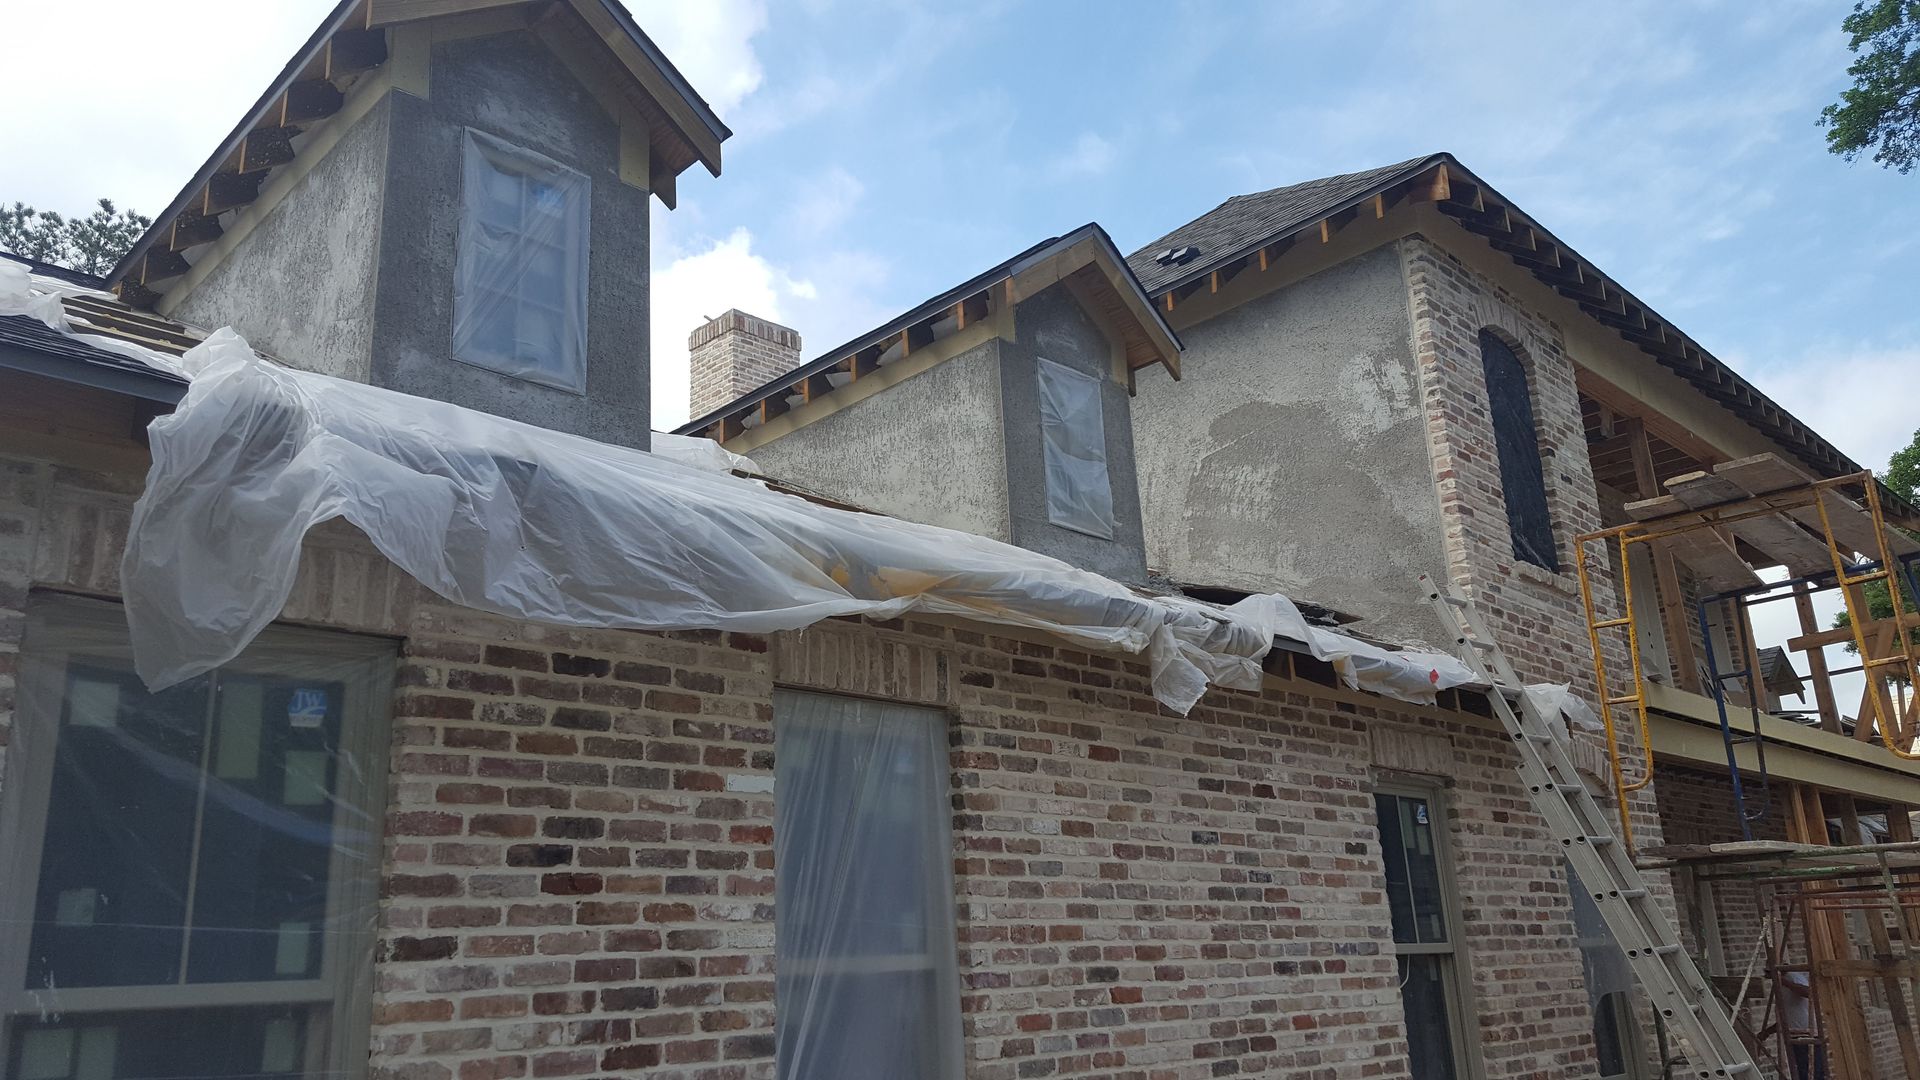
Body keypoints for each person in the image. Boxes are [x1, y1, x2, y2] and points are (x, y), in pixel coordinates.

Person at [1779, 971, 1828, 1080]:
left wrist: (1784, 982)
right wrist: (1768, 1031)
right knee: (1803, 1074)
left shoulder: (1792, 978)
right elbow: (1789, 1016)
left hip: (1806, 1035)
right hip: (1796, 1036)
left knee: (1813, 1074)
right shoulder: (1781, 987)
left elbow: (1807, 992)